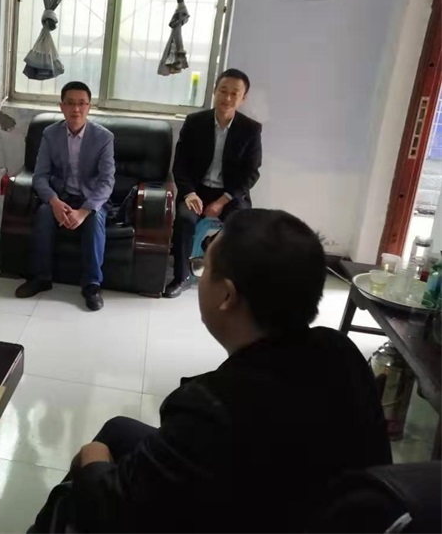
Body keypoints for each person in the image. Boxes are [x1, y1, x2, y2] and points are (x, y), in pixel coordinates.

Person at [30, 209, 391, 533]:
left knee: (85, 474)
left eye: (203, 267)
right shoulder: (339, 350)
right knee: (119, 429)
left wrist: (92, 458)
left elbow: (113, 511)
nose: (200, 276)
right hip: (311, 509)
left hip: (246, 515)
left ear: (227, 296)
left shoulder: (211, 409)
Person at [15, 81, 115, 311]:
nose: (76, 109)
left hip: (91, 199)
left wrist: (84, 211)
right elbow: (40, 176)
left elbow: (107, 181)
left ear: (89, 107)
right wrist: (54, 202)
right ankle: (41, 278)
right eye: (70, 103)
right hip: (61, 196)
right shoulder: (50, 134)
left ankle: (92, 285)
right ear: (62, 107)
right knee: (43, 215)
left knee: (94, 221)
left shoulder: (104, 138)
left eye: (82, 104)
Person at [165, 68, 262, 299]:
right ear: (214, 91)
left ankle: (225, 277)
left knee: (241, 226)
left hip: (230, 194)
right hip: (196, 191)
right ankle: (181, 277)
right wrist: (189, 193)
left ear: (243, 98)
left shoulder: (250, 129)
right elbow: (180, 165)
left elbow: (251, 173)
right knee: (185, 220)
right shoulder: (195, 122)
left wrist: (223, 201)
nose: (227, 98)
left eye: (234, 93)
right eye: (223, 91)